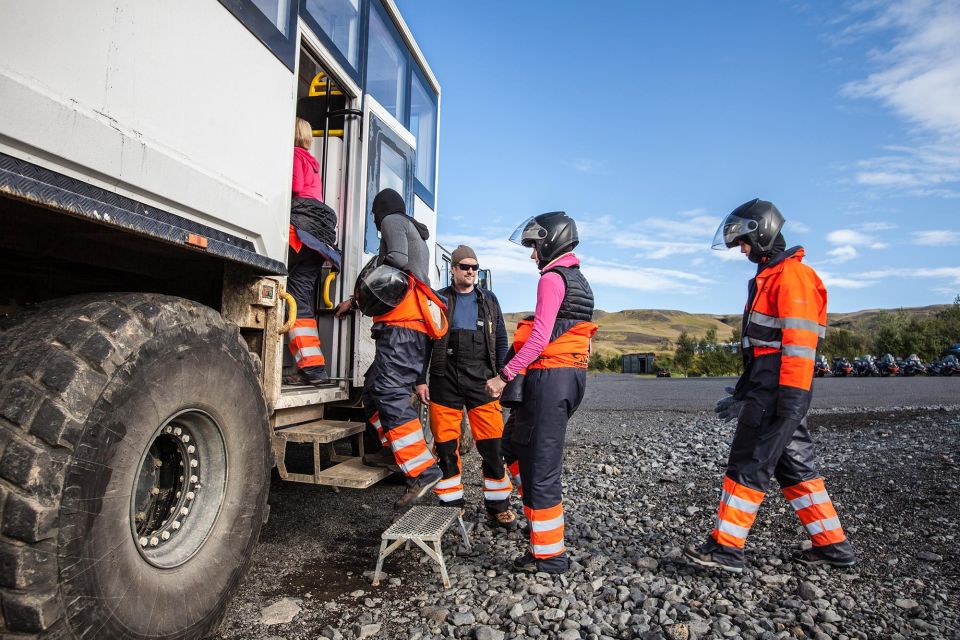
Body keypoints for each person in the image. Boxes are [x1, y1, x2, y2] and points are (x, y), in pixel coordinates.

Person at [685, 198, 857, 573]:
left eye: (744, 242)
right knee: (796, 467)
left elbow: (798, 347)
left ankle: (726, 548)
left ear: (761, 232)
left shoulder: (791, 277)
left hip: (781, 387)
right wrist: (744, 390)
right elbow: (765, 349)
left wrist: (790, 401)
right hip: (772, 384)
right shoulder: (773, 276)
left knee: (747, 464)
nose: (741, 250)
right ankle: (834, 547)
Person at [485, 212, 598, 574]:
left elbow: (539, 337)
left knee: (541, 469)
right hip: (570, 379)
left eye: (534, 246)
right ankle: (535, 518)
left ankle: (549, 556)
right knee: (513, 448)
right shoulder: (579, 280)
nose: (533, 255)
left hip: (549, 380)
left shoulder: (552, 278)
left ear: (550, 241)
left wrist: (504, 375)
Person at [335, 188, 447, 509]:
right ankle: (395, 452)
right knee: (372, 391)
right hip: (409, 327)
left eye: (374, 214)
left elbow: (395, 262)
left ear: (380, 210)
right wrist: (357, 302)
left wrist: (364, 283)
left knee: (388, 392)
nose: (374, 221)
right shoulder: (413, 229)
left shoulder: (392, 220)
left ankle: (423, 470)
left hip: (403, 324)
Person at [417, 245, 514, 525]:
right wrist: (419, 380)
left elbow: (500, 341)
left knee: (493, 444)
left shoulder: (489, 300)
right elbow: (425, 342)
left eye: (475, 268)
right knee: (446, 445)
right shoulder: (439, 299)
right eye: (465, 267)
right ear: (453, 269)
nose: (471, 271)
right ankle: (451, 504)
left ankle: (498, 505)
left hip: (482, 379)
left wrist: (502, 376)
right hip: (443, 377)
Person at [285, 116, 339, 385]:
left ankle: (310, 368)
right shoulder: (313, 163)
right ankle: (314, 367)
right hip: (318, 239)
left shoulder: (293, 155)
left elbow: (294, 188)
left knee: (288, 293)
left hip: (301, 233)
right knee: (299, 297)